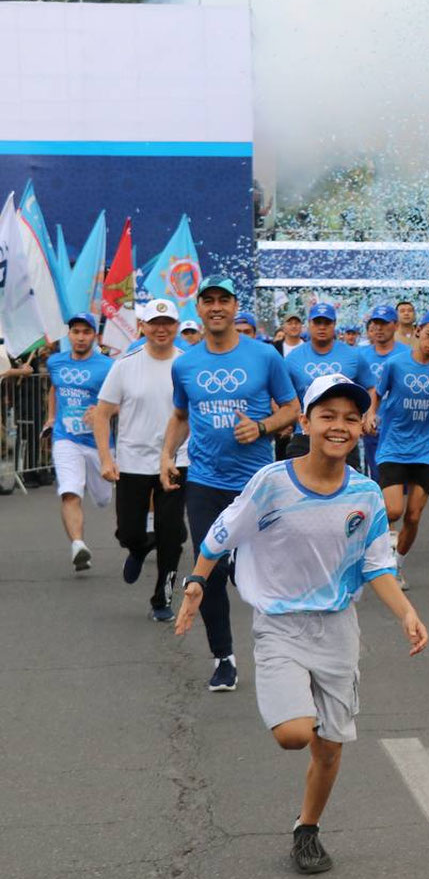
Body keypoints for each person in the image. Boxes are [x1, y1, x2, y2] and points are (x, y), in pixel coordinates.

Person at [174, 373, 429, 876]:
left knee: (330, 752)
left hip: (336, 627)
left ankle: (306, 828)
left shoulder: (367, 494)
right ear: (307, 422)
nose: (339, 426)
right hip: (280, 624)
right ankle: (298, 705)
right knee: (295, 734)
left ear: (362, 427)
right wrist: (197, 583)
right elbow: (220, 536)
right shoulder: (271, 483)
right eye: (328, 416)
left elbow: (378, 564)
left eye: (351, 418)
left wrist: (406, 612)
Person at [162, 276, 301, 692]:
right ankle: (224, 657)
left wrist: (261, 426)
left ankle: (285, 650)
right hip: (205, 482)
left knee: (264, 573)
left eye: (224, 300)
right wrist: (166, 455)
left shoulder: (264, 356)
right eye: (209, 301)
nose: (216, 307)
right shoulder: (185, 363)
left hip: (256, 484)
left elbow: (292, 409)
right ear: (199, 309)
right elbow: (180, 416)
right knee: (213, 572)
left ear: (235, 307)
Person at [90, 298, 189, 620]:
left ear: (176, 327)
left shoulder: (188, 365)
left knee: (171, 534)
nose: (161, 330)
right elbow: (102, 414)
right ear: (143, 327)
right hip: (133, 460)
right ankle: (139, 545)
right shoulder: (125, 366)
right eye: (154, 324)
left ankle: (162, 599)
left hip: (177, 460)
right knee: (130, 531)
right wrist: (106, 458)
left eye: (167, 323)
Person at [366, 312, 429, 587]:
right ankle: (369, 542)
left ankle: (397, 567)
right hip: (394, 445)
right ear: (418, 331)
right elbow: (377, 393)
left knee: (413, 515)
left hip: (428, 449)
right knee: (394, 511)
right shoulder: (396, 364)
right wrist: (371, 413)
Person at [45, 312, 115, 571]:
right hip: (66, 439)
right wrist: (51, 418)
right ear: (69, 335)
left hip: (99, 443)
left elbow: (120, 400)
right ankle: (77, 544)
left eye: (87, 332)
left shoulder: (108, 366)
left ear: (95, 336)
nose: (81, 337)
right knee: (70, 491)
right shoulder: (56, 362)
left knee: (103, 498)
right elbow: (55, 388)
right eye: (76, 332)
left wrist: (103, 411)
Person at [283, 302, 363, 466]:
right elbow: (282, 394)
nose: (322, 327)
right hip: (304, 434)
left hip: (341, 434)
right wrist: (284, 421)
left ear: (334, 325)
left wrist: (367, 415)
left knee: (349, 490)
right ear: (309, 325)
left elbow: (369, 387)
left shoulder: (353, 355)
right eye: (317, 322)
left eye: (327, 323)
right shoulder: (293, 358)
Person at [357, 305, 402, 478]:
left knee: (401, 488)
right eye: (375, 323)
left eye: (384, 323)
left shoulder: (407, 354)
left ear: (396, 326)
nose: (378, 328)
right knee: (377, 480)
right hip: (372, 429)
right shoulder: (360, 355)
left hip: (400, 429)